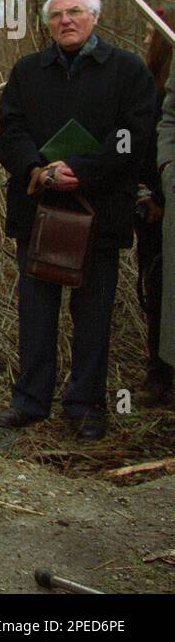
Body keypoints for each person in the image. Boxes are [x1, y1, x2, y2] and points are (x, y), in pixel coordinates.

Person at [0, 0, 154, 441]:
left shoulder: (127, 70)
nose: (66, 20)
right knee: (36, 312)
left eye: (75, 12)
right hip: (38, 210)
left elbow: (133, 136)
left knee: (93, 314)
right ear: (48, 24)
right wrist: (37, 170)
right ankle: (30, 401)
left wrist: (80, 169)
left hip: (99, 213)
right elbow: (10, 130)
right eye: (58, 14)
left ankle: (85, 407)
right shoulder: (28, 71)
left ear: (94, 18)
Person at [135, 20, 171, 407]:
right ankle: (159, 374)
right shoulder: (150, 87)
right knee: (157, 289)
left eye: (151, 32)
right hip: (154, 212)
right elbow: (144, 144)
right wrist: (149, 194)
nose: (146, 38)